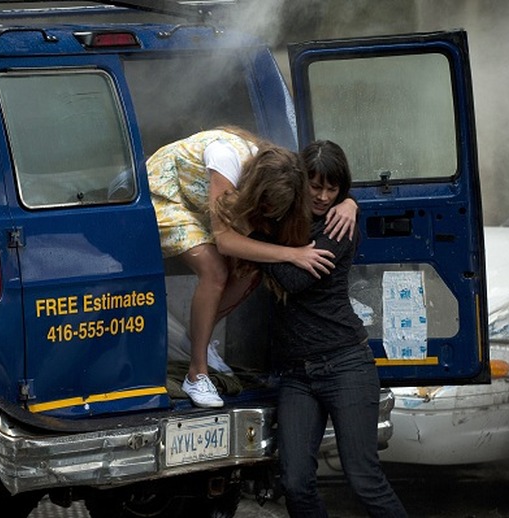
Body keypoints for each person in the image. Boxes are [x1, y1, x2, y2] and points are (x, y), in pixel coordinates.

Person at [146, 128, 357, 408]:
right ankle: (196, 375)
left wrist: (350, 203)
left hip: (200, 204)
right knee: (215, 270)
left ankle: (196, 339)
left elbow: (325, 182)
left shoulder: (285, 168)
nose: (323, 195)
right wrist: (292, 254)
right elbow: (225, 242)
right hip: (165, 193)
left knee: (253, 270)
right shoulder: (225, 160)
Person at [259, 140, 408, 517]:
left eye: (334, 189)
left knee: (364, 479)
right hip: (297, 375)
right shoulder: (283, 217)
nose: (325, 196)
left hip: (345, 365)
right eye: (316, 186)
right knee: (294, 482)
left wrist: (253, 244)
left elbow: (293, 279)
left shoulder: (339, 225)